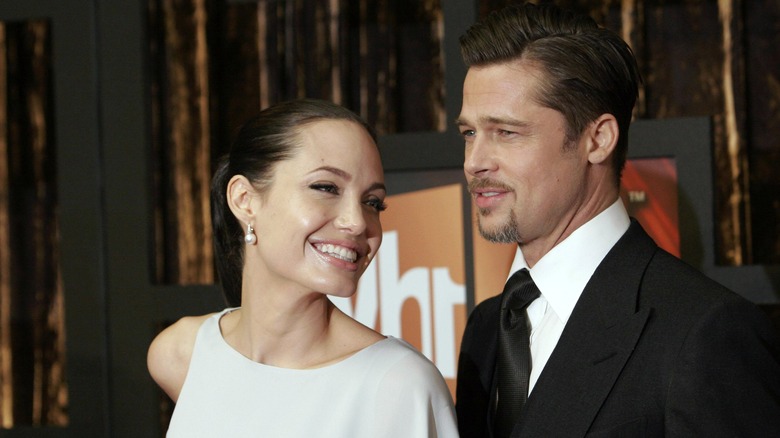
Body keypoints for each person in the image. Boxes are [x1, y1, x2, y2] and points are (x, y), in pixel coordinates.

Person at [454, 3, 780, 437]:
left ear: (598, 138)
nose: (474, 162)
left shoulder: (705, 332)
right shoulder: (486, 328)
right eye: (469, 133)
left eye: (506, 133)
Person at [147, 99, 457, 437]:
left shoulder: (399, 385)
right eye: (326, 188)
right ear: (244, 200)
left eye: (372, 203)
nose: (357, 222)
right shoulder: (181, 354)